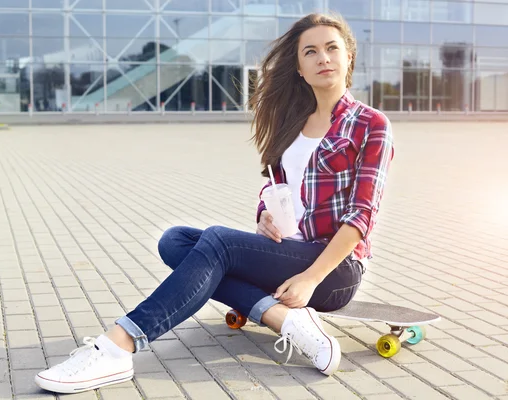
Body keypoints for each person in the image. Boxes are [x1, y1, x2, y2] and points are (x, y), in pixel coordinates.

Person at [34, 12, 394, 394]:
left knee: (218, 243)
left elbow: (362, 216)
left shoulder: (371, 124)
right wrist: (265, 215)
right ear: (300, 69)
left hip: (334, 272)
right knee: (175, 241)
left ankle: (117, 346)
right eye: (311, 51)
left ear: (348, 58)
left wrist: (310, 278)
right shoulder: (294, 122)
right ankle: (283, 320)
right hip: (288, 249)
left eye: (332, 48)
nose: (323, 57)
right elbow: (274, 185)